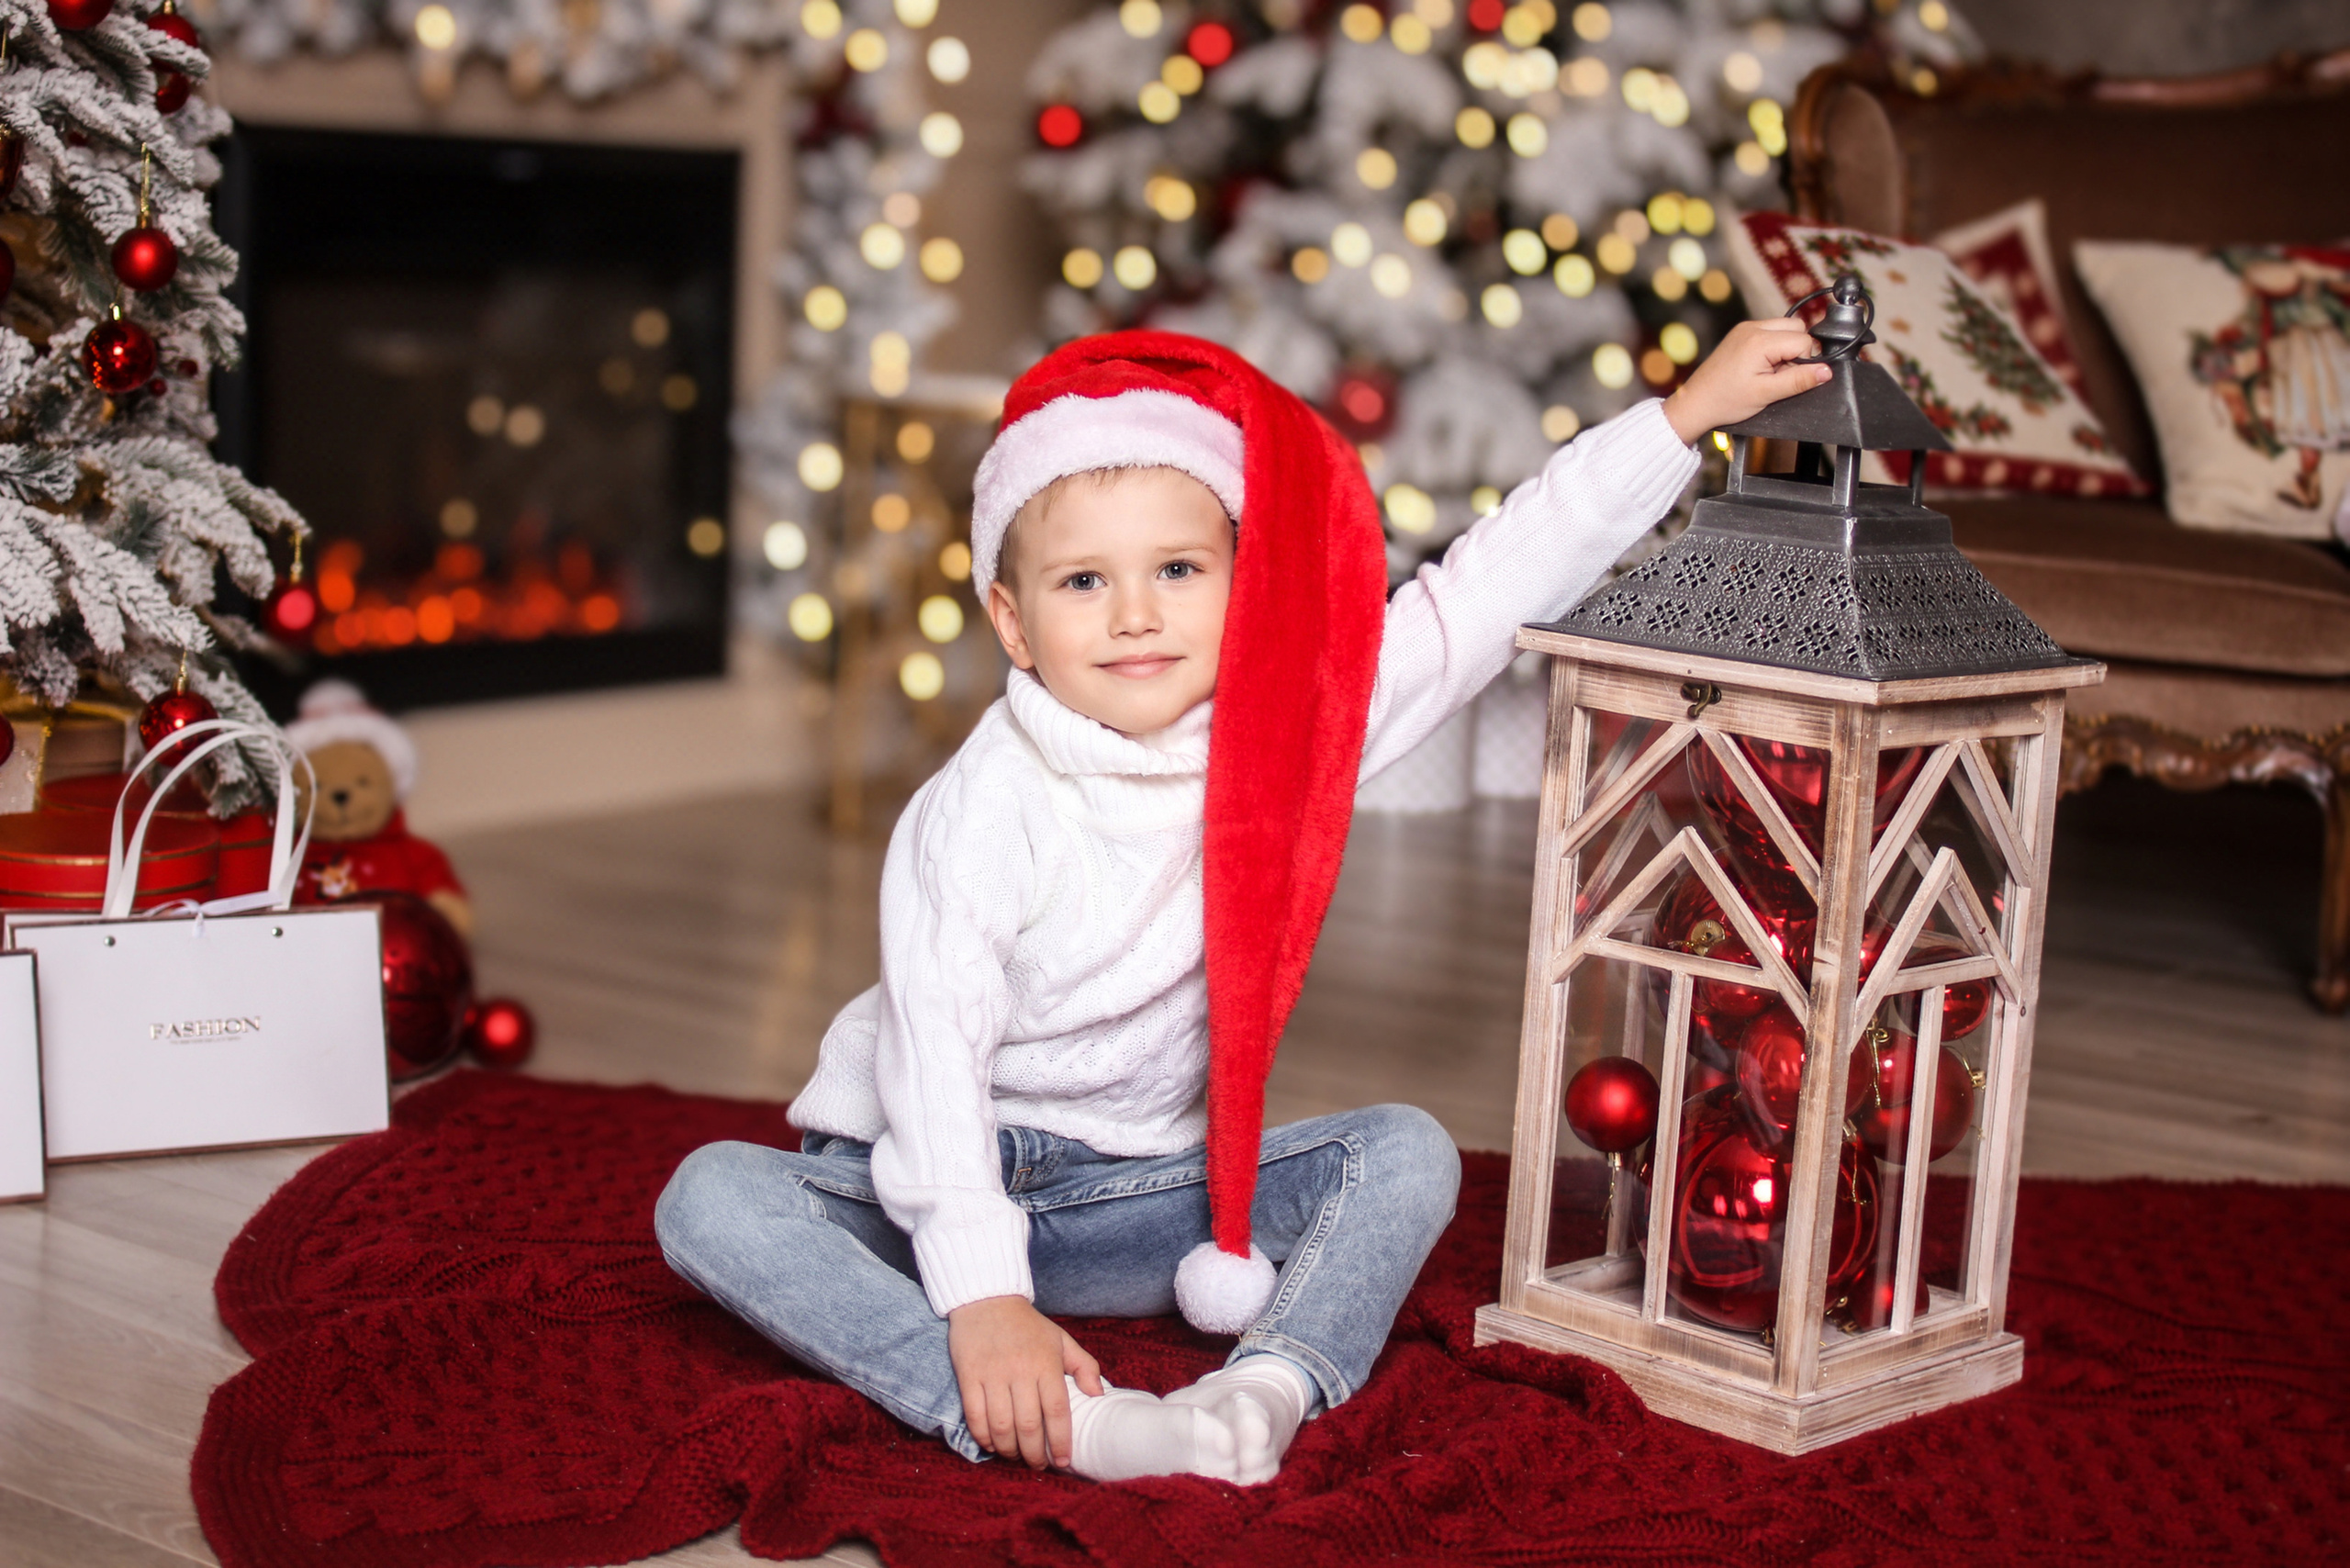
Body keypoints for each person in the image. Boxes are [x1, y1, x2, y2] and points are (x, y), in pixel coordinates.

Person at [656, 322, 1831, 1485]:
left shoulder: (1283, 733)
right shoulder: (976, 809)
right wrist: (983, 1296)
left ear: (1240, 578)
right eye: (1082, 582)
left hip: (1118, 1193)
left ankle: (1260, 1387)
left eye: (1176, 569)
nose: (1135, 615)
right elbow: (935, 1060)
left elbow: (1471, 603)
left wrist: (1681, 420)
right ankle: (1066, 1423)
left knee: (1407, 1155)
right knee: (712, 1197)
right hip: (914, 1177)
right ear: (1013, 621)